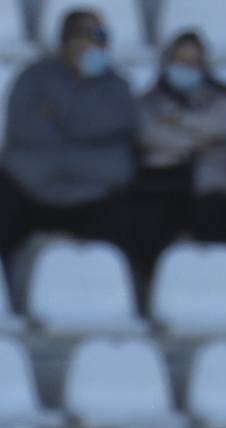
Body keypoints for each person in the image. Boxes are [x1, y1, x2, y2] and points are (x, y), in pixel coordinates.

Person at [0, 8, 137, 283]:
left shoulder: (118, 87)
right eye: (87, 37)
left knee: (133, 223)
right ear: (66, 41)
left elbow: (117, 143)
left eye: (100, 38)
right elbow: (27, 133)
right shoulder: (32, 79)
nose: (95, 46)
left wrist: (59, 120)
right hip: (30, 188)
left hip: (95, 194)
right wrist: (88, 138)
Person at [134, 29, 226, 271]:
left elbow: (224, 125)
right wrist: (199, 140)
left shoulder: (219, 98)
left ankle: (220, 277)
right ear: (167, 62)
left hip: (208, 184)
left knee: (217, 214)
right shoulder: (147, 101)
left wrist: (177, 122)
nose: (187, 67)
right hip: (162, 180)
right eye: (181, 60)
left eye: (194, 62)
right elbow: (149, 135)